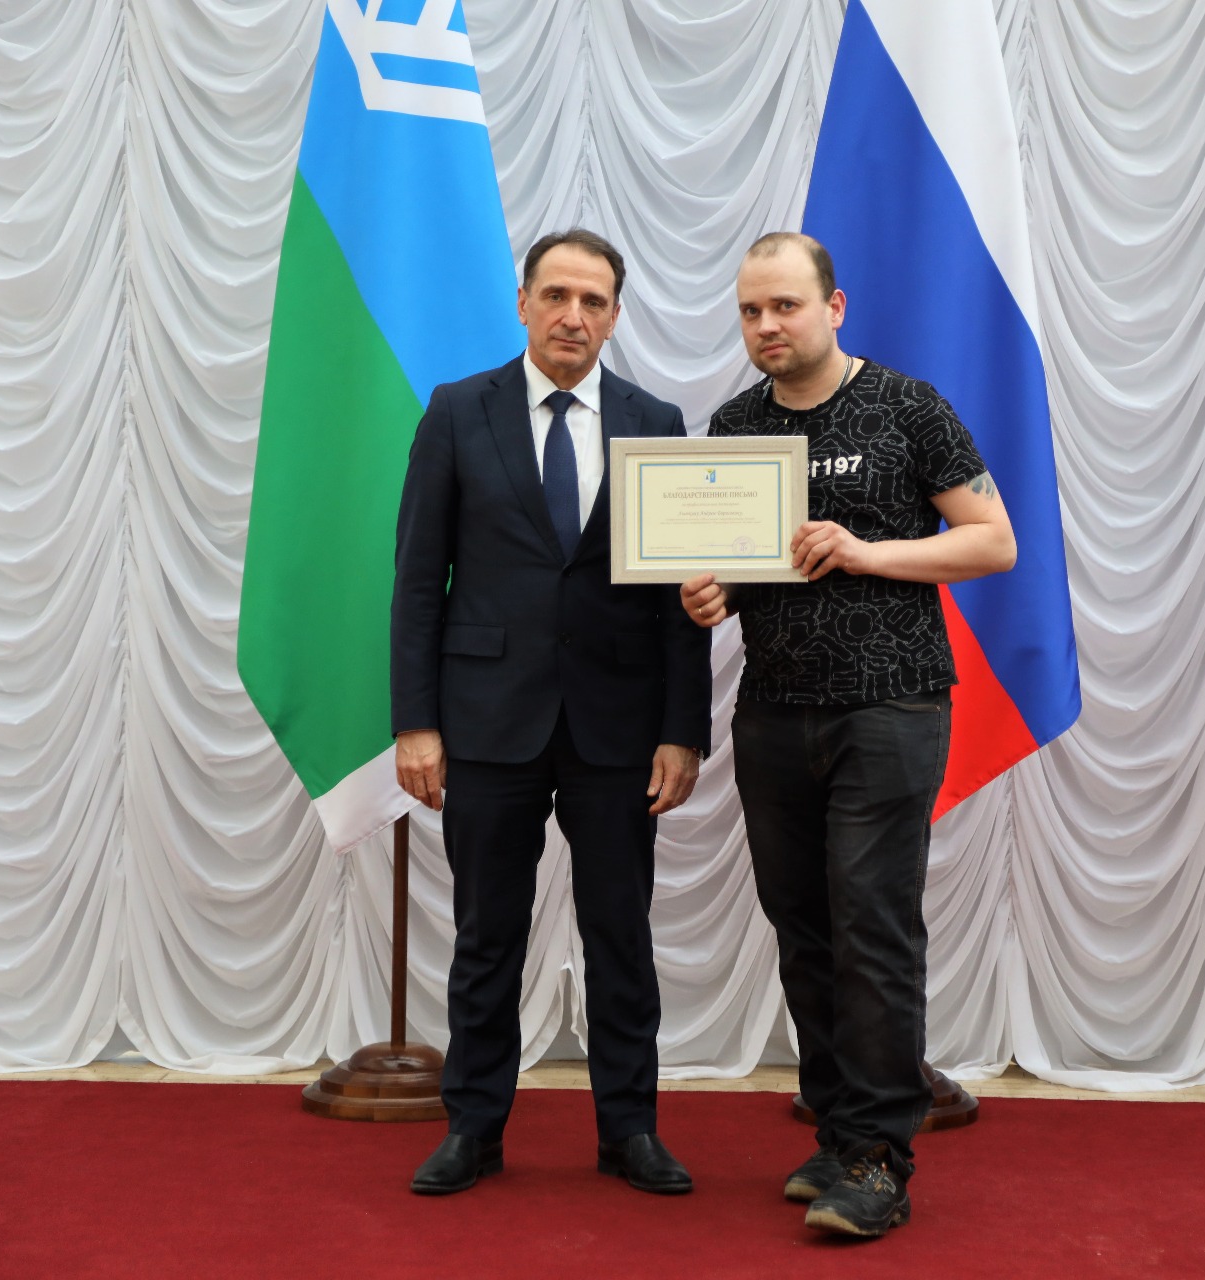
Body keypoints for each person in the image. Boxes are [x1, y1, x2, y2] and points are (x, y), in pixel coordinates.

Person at [679, 232, 1016, 1237]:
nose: (766, 326)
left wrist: (867, 551)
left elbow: (992, 541)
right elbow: (737, 565)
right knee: (803, 925)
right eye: (751, 311)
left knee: (871, 924)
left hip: (891, 707)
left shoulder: (908, 407)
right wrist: (712, 592)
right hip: (773, 709)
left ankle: (878, 1157)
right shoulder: (734, 425)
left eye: (785, 305)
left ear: (834, 307)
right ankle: (837, 1131)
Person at [392, 229, 710, 1197]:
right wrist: (415, 722)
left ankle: (630, 1130)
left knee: (621, 936)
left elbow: (679, 596)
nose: (575, 315)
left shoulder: (655, 421)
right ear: (523, 301)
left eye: (595, 301)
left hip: (619, 726)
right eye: (558, 295)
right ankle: (473, 1128)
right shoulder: (458, 411)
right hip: (487, 720)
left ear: (615, 316)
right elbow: (418, 579)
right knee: (488, 934)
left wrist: (683, 728)